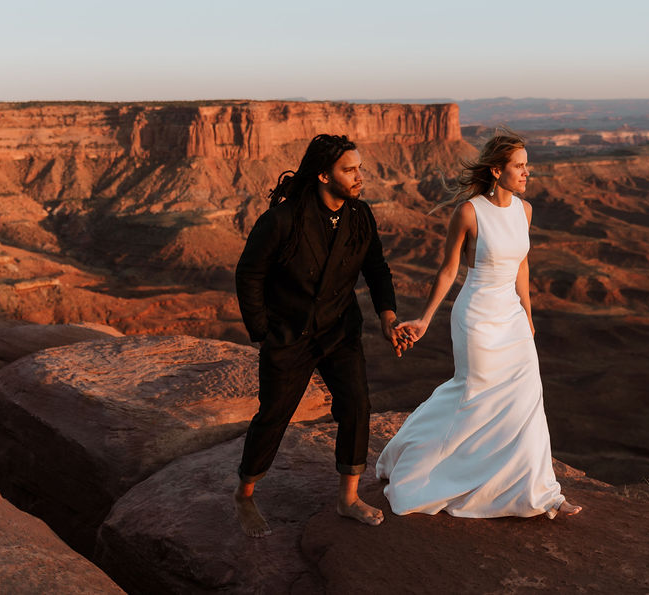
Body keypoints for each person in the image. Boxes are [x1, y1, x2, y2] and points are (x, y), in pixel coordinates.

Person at [376, 131, 581, 519]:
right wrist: (425, 318)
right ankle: (417, 467)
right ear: (496, 170)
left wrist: (529, 317)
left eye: (526, 165)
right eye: (519, 166)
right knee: (473, 399)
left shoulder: (525, 210)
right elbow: (449, 269)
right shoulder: (469, 212)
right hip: (477, 318)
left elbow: (522, 266)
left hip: (513, 319)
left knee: (527, 401)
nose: (527, 172)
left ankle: (543, 492)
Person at [233, 133, 408, 537]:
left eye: (359, 168)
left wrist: (387, 316)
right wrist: (262, 332)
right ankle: (244, 492)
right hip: (289, 334)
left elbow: (377, 268)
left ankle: (347, 498)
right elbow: (249, 274)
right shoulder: (282, 220)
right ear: (324, 175)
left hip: (339, 330)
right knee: (274, 415)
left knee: (357, 405)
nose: (358, 176)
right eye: (350, 169)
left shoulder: (360, 216)